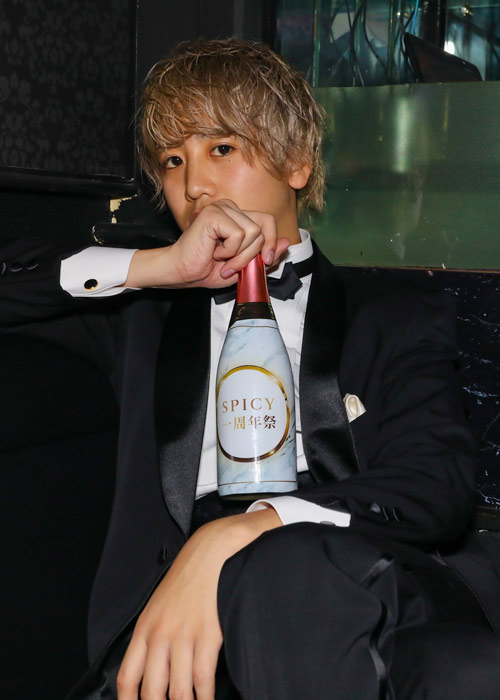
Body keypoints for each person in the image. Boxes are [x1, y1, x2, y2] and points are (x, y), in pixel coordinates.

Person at [3, 38, 500, 700]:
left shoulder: (392, 314)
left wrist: (241, 532)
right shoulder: (144, 313)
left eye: (220, 148)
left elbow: (432, 486)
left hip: (359, 577)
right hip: (189, 623)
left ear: (296, 162)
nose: (193, 185)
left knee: (304, 579)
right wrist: (158, 267)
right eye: (172, 161)